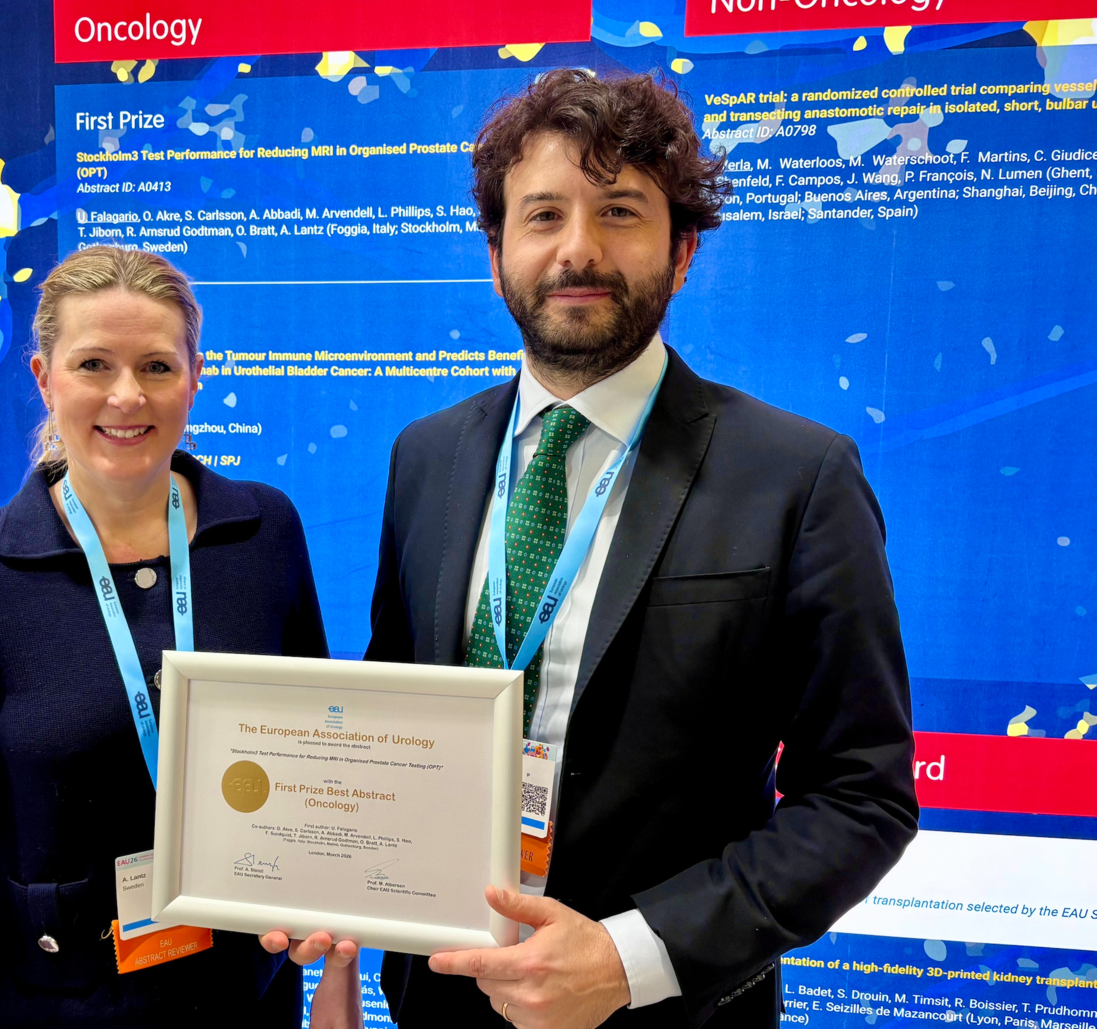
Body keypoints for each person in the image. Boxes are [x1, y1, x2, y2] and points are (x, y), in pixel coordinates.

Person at [342, 69, 919, 1029]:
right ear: (496, 252)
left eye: (619, 211)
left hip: (665, 1010)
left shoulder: (798, 476)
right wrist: (318, 861)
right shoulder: (426, 457)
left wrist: (629, 956)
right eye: (543, 215)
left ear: (682, 251)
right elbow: (398, 710)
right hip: (440, 994)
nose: (578, 248)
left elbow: (861, 796)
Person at [0, 245, 329, 1028]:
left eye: (156, 366)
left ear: (195, 376)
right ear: (45, 378)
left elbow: (316, 753)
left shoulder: (264, 533)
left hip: (245, 997)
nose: (127, 395)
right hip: (54, 1005)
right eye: (93, 365)